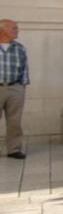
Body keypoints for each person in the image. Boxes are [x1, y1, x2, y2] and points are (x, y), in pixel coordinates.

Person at [0, 19, 28, 160]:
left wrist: (21, 89)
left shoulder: (20, 48)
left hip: (15, 88)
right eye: (14, 28)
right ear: (2, 30)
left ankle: (14, 149)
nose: (17, 31)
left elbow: (24, 70)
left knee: (15, 122)